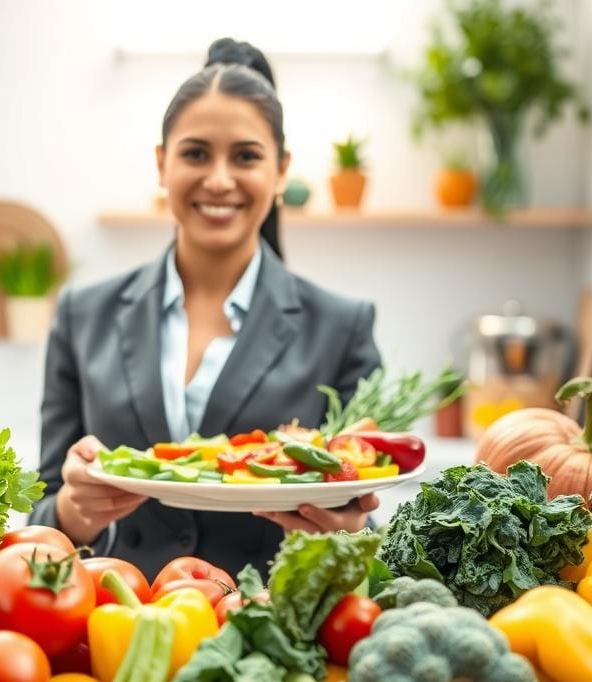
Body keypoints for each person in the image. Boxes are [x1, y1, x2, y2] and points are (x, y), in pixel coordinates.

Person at [28, 38, 381, 579]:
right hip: (118, 613)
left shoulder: (341, 327)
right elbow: (43, 510)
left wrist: (345, 530)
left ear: (281, 171)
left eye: (246, 156)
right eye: (195, 154)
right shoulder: (84, 315)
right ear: (161, 164)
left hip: (270, 615)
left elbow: (364, 517)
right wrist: (74, 513)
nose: (218, 180)